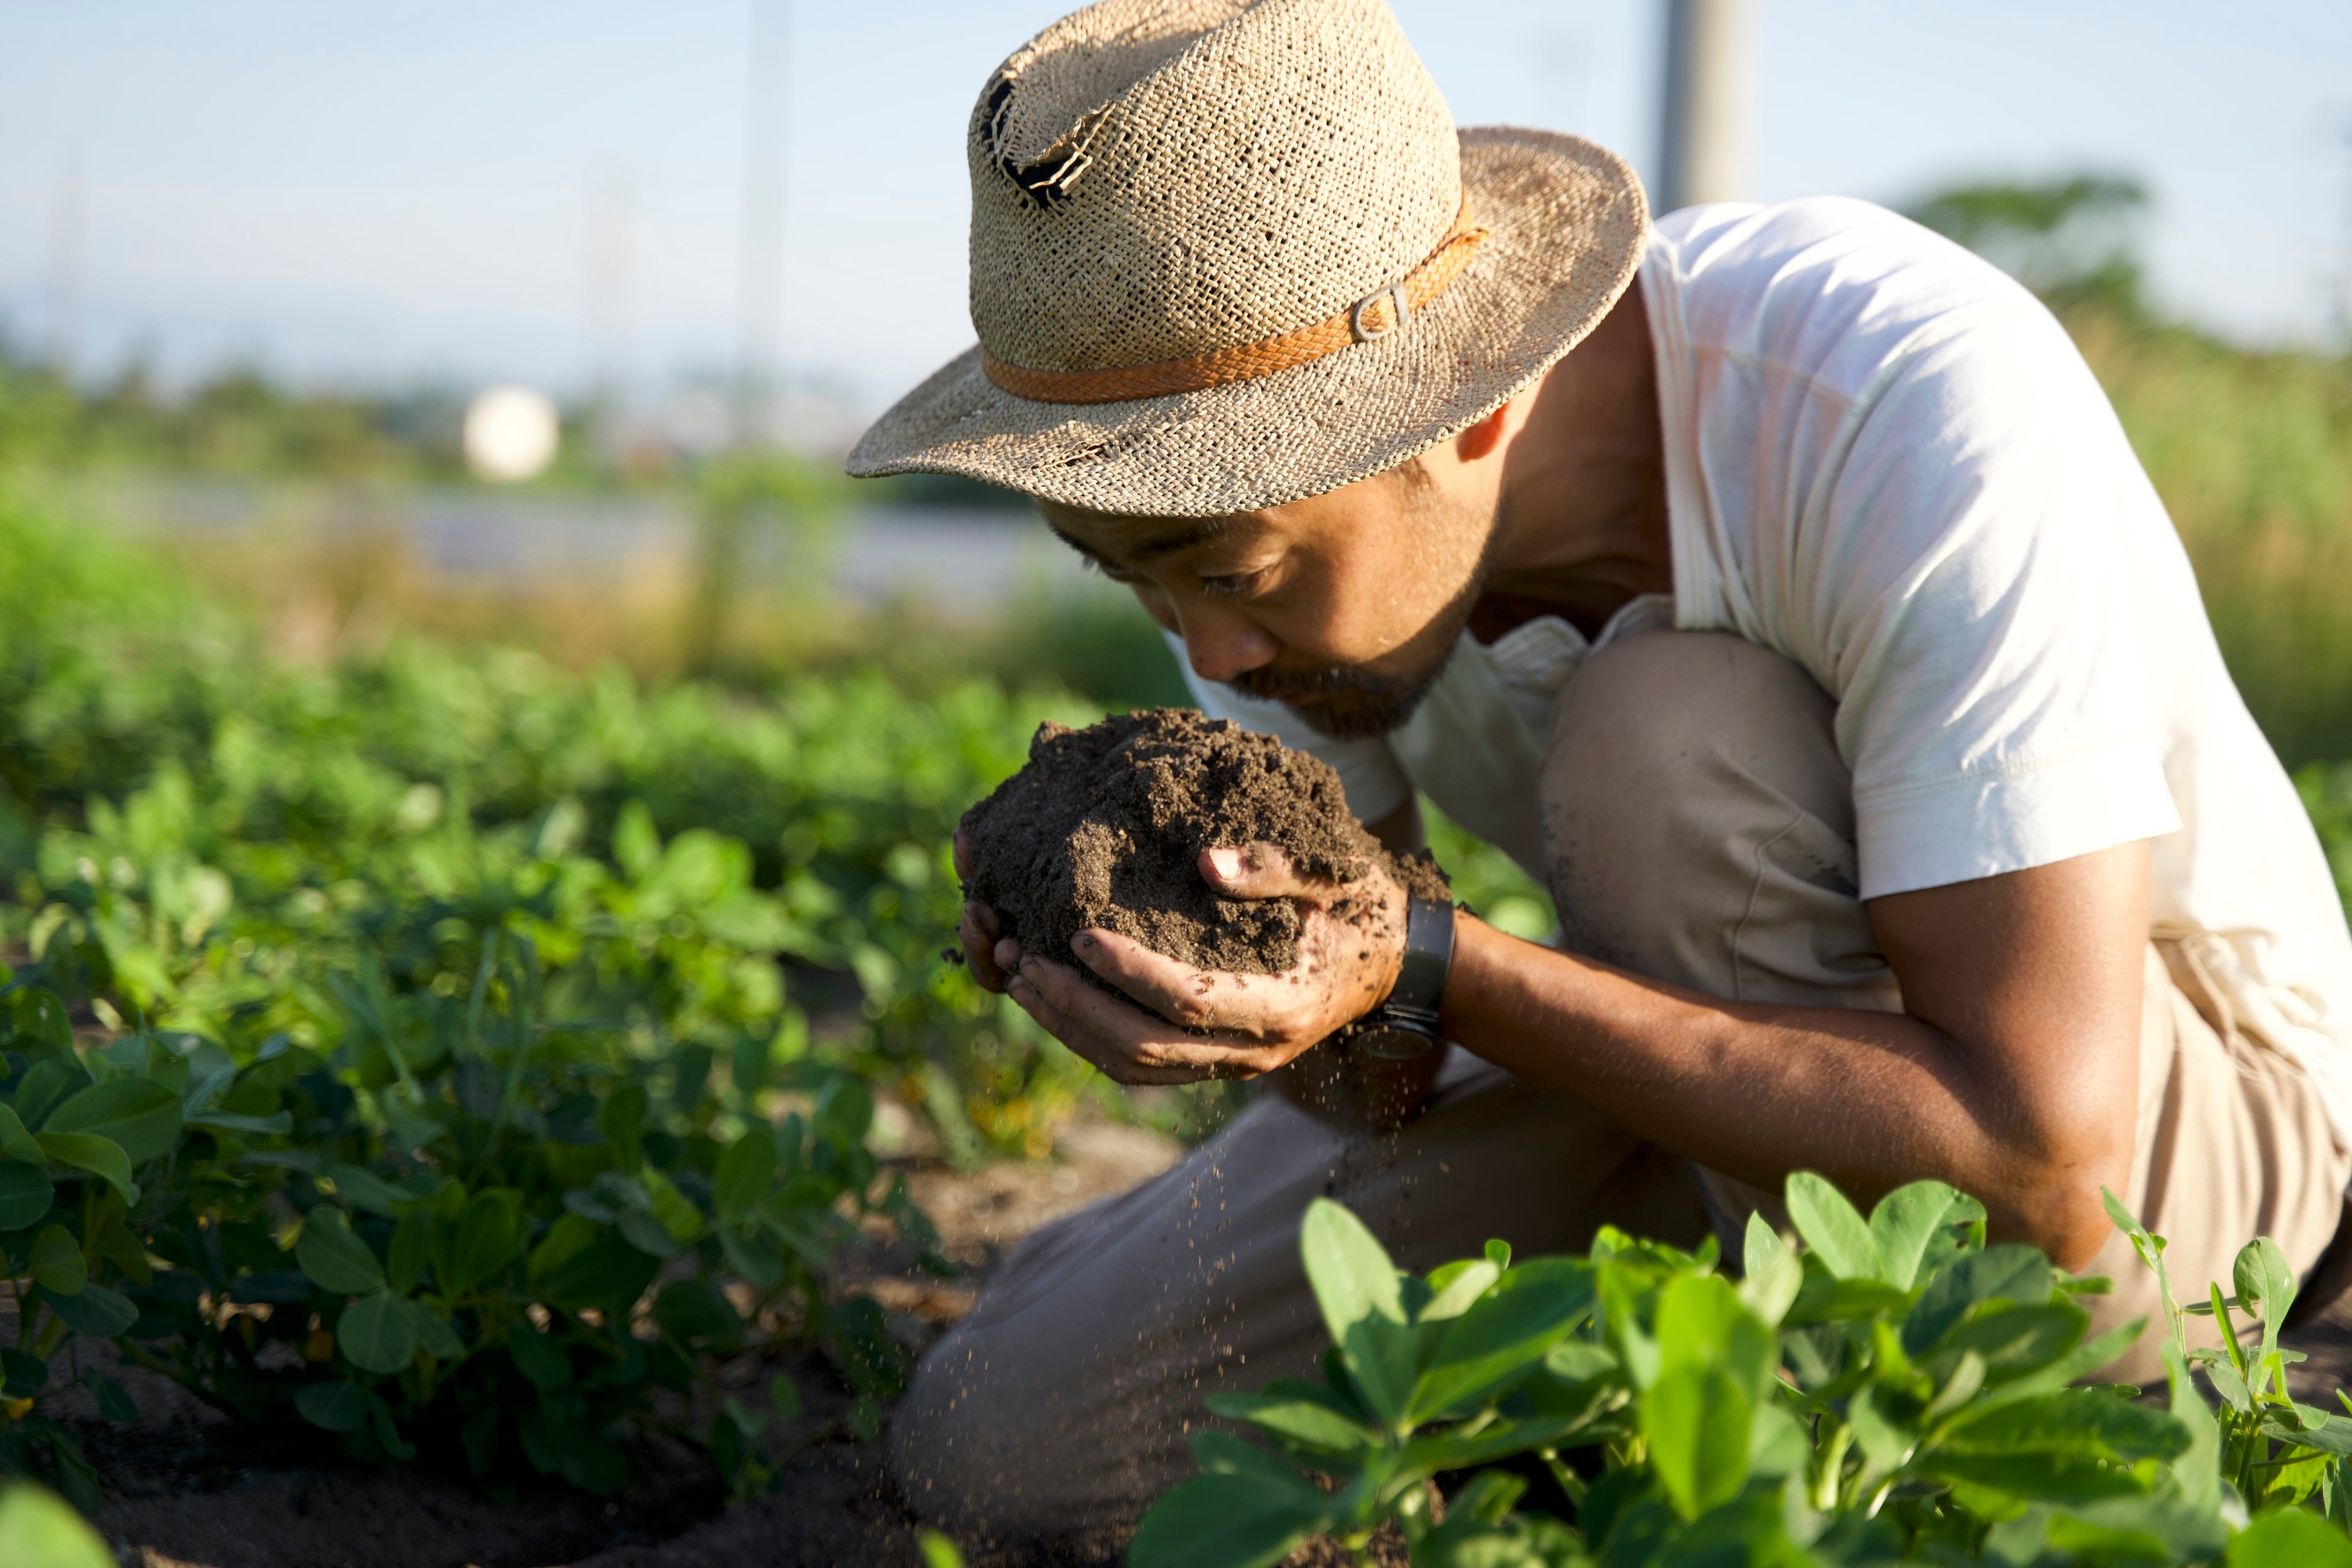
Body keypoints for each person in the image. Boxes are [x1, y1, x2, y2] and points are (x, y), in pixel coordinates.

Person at [847, 0, 2352, 1552]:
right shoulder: (1252, 558)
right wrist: (1238, 995)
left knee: (1664, 742)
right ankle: (1673, 1354)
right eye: (1137, 582)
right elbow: (1389, 1074)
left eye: (1227, 570)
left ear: (1470, 403)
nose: (1209, 655)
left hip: (2167, 1148)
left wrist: (1430, 958)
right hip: (1708, 1065)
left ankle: (1837, 1436)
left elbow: (2035, 1150)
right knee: (1007, 1447)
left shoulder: (1898, 404)